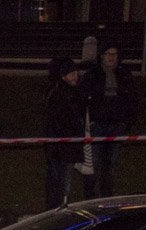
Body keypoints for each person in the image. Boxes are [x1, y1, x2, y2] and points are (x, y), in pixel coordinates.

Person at [80, 43, 137, 198]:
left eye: (114, 54)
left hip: (117, 126)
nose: (111, 57)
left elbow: (131, 99)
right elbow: (82, 99)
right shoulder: (92, 75)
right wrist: (89, 122)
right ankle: (89, 198)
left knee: (110, 164)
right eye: (108, 54)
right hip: (97, 126)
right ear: (102, 56)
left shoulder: (124, 74)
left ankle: (107, 197)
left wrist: (126, 122)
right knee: (93, 164)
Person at [44, 58, 85, 209]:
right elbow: (56, 122)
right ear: (63, 76)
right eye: (71, 74)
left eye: (76, 73)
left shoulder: (77, 93)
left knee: (64, 184)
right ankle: (54, 213)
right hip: (59, 147)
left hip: (69, 147)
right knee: (57, 183)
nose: (75, 76)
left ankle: (59, 209)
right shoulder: (57, 95)